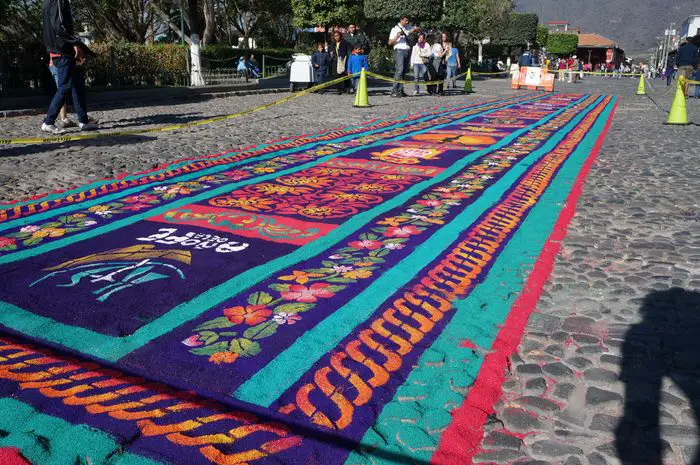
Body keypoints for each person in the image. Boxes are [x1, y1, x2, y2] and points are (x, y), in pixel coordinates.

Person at [41, 0, 98, 134]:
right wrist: (76, 43)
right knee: (65, 86)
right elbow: (59, 26)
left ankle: (83, 121)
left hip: (58, 50)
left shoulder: (47, 2)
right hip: (62, 51)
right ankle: (48, 122)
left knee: (77, 85)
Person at [388, 16, 419, 97]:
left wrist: (415, 29)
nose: (407, 22)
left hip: (408, 50)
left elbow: (418, 29)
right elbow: (390, 42)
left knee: (404, 71)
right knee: (399, 70)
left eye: (408, 20)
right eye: (406, 20)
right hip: (399, 51)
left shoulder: (409, 27)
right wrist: (397, 36)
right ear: (401, 20)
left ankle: (400, 90)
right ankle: (394, 91)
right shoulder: (395, 29)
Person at [328, 30, 351, 94]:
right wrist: (331, 58)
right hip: (335, 61)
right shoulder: (332, 44)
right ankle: (339, 89)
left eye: (337, 35)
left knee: (344, 74)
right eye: (335, 36)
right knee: (336, 76)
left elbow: (349, 51)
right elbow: (329, 53)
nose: (336, 37)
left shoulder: (345, 42)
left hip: (343, 61)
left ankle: (346, 88)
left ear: (340, 36)